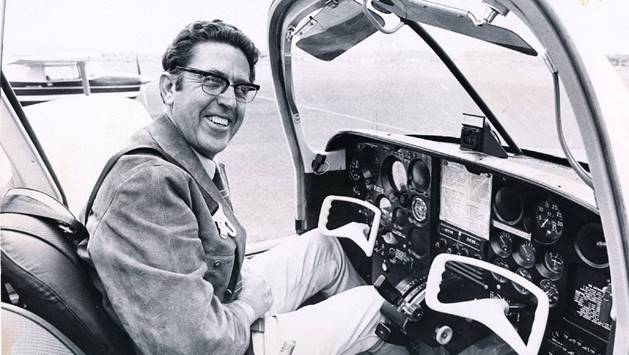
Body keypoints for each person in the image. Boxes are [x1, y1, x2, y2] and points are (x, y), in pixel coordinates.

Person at [78, 20, 405, 355]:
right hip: (218, 342)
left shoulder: (181, 156)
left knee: (326, 248)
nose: (229, 101)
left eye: (240, 88)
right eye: (212, 81)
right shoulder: (148, 184)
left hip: (215, 303)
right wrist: (248, 307)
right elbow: (190, 345)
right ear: (168, 89)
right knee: (375, 310)